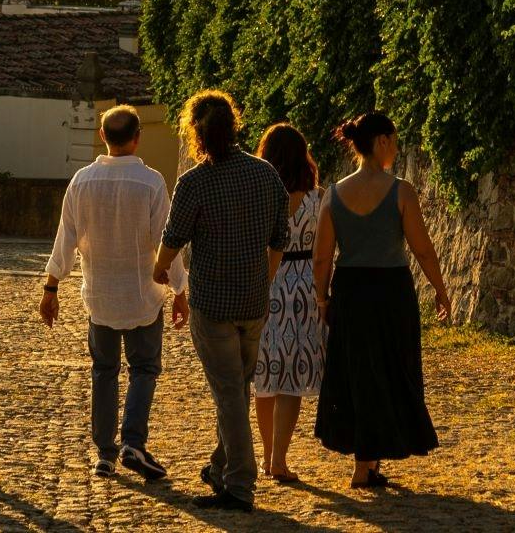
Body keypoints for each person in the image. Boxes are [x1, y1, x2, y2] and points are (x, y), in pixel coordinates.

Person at [153, 90, 290, 514]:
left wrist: (160, 269)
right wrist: (263, 281)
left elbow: (174, 237)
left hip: (213, 304)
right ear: (235, 125)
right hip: (254, 304)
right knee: (235, 390)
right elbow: (279, 239)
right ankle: (219, 466)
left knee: (229, 393)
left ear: (194, 132)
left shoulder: (195, 181)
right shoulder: (266, 174)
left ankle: (240, 484)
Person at [40, 105, 190, 480]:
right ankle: (133, 442)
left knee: (103, 371)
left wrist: (51, 287)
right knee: (144, 369)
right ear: (137, 137)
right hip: (144, 294)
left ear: (102, 136)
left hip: (101, 295)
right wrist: (180, 289)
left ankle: (104, 452)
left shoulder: (81, 181)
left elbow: (65, 239)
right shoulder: (152, 183)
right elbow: (165, 242)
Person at [312, 110, 449, 489]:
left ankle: (366, 462)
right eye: (395, 139)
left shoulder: (335, 194)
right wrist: (440, 289)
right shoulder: (402, 191)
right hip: (391, 291)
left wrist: (322, 299)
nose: (398, 147)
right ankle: (367, 463)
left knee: (358, 372)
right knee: (391, 369)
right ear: (382, 142)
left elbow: (322, 256)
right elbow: (422, 249)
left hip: (352, 291)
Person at [252, 123, 326, 483]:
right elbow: (327, 249)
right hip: (305, 286)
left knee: (266, 372)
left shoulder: (262, 195)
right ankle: (279, 458)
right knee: (293, 375)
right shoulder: (319, 197)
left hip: (268, 280)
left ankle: (266, 454)